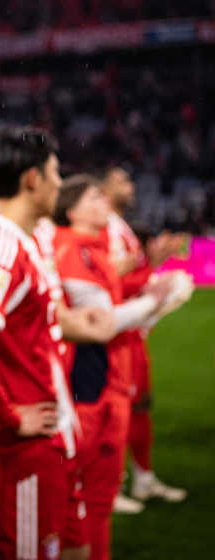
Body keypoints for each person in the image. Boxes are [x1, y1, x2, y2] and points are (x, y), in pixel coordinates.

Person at [0, 127, 81, 560]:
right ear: (32, 179)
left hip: (45, 433)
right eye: (55, 172)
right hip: (20, 446)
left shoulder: (22, 243)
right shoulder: (3, 249)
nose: (60, 183)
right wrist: (10, 415)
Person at [51, 175, 177, 560]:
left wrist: (156, 299)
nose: (103, 203)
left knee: (100, 497)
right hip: (87, 385)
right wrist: (153, 300)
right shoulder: (69, 249)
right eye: (94, 198)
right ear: (72, 210)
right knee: (81, 496)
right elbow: (102, 321)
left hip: (110, 377)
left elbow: (114, 315)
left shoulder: (97, 250)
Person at [99, 166, 188, 504]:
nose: (131, 186)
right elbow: (108, 287)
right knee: (117, 411)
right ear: (104, 190)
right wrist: (153, 277)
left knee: (139, 408)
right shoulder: (106, 229)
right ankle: (110, 487)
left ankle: (142, 478)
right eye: (122, 180)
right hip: (117, 335)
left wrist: (152, 265)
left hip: (132, 332)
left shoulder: (119, 227)